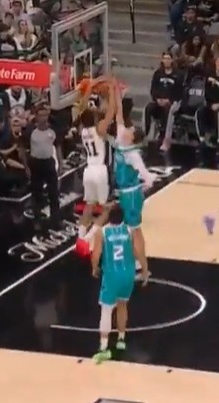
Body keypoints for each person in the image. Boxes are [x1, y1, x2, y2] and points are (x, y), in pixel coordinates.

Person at [90, 204, 148, 364]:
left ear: (109, 217)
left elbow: (96, 254)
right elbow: (136, 251)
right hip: (128, 274)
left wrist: (94, 267)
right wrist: (144, 269)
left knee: (106, 310)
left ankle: (103, 348)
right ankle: (121, 339)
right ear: (123, 217)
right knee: (123, 304)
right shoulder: (129, 230)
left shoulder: (102, 232)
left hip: (111, 275)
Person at [112, 80, 158, 272]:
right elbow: (119, 115)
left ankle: (141, 264)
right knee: (129, 230)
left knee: (135, 230)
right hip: (125, 193)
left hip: (132, 195)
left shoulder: (133, 155)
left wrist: (147, 183)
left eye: (131, 131)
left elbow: (147, 176)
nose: (127, 129)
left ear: (133, 139)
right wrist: (117, 93)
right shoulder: (121, 139)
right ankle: (134, 260)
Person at [77, 81, 116, 246]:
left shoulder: (82, 131)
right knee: (106, 209)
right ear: (93, 118)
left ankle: (80, 237)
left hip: (88, 170)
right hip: (100, 171)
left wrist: (89, 90)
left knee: (89, 206)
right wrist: (112, 92)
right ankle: (88, 238)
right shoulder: (99, 129)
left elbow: (81, 109)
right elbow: (111, 111)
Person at [28, 106, 61, 228]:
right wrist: (26, 167)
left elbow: (58, 146)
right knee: (37, 192)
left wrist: (60, 164)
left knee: (54, 193)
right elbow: (21, 147)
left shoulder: (53, 130)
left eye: (45, 115)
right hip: (35, 163)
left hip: (48, 162)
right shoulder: (30, 130)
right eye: (41, 115)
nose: (43, 118)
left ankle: (56, 220)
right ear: (36, 116)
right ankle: (37, 219)